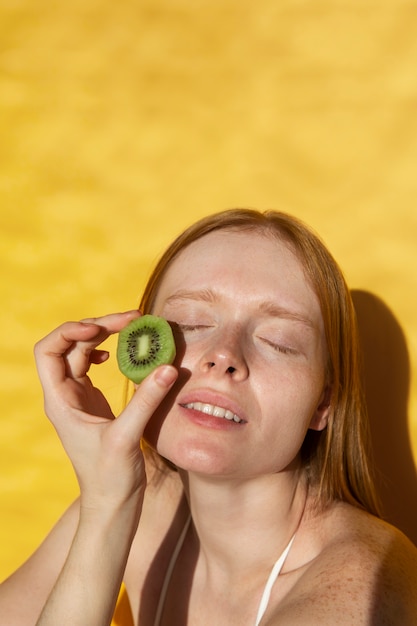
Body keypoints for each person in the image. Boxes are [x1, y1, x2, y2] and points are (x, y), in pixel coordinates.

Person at [1, 208, 416, 626]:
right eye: (191, 323)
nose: (224, 355)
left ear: (323, 404)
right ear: (140, 343)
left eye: (279, 341)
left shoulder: (363, 586)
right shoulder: (142, 497)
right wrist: (109, 502)